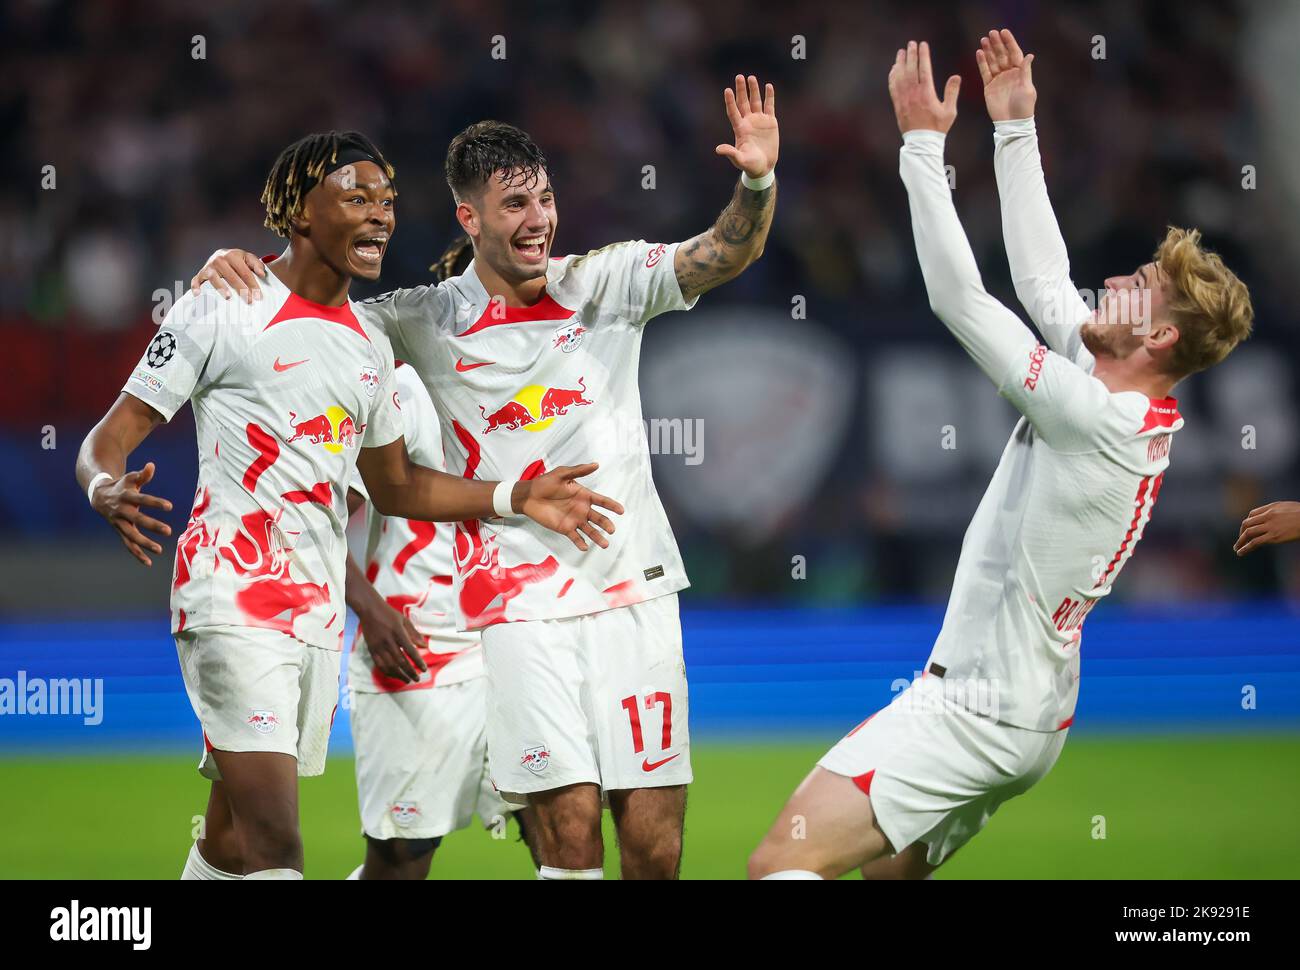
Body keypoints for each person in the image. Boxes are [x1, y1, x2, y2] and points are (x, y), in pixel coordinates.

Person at [189, 74, 779, 879]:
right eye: (514, 207)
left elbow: (724, 252)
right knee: (566, 839)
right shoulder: (420, 320)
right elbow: (311, 302)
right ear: (470, 219)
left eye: (544, 200)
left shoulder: (602, 284)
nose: (537, 222)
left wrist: (756, 179)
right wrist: (242, 268)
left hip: (632, 594)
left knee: (654, 847)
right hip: (514, 612)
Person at [749, 32, 1252, 880]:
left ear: (1159, 335)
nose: (1111, 285)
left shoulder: (1095, 413)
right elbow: (1045, 282)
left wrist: (918, 146)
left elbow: (958, 298)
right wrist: (1015, 127)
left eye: (1135, 284)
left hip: (974, 709)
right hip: (1029, 716)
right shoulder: (1120, 395)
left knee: (777, 868)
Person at [76, 131, 623, 880]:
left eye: (388, 201)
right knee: (278, 850)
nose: (381, 217)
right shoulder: (224, 305)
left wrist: (514, 496)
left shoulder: (368, 344)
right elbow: (110, 437)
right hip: (231, 600)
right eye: (357, 198)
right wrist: (104, 486)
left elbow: (399, 486)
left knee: (233, 840)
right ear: (301, 213)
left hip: (313, 618)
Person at [343, 236, 538, 880]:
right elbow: (315, 520)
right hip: (419, 652)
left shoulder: (540, 393)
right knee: (401, 864)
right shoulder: (395, 391)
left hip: (519, 646)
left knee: (563, 831)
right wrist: (369, 610)